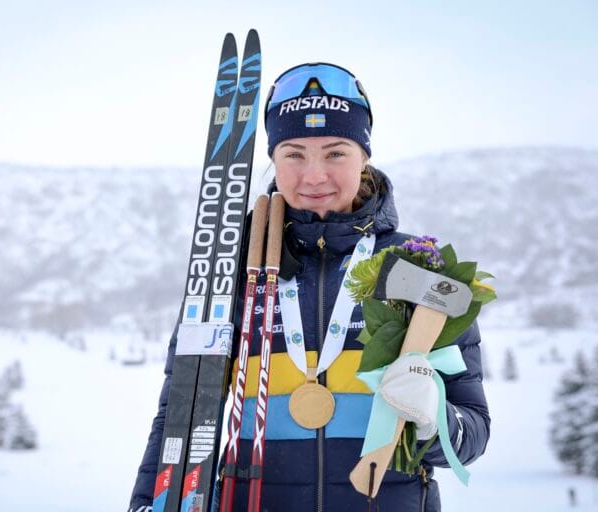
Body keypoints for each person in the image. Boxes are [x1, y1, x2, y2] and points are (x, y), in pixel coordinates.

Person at [129, 62, 490, 512]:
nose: (314, 175)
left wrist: (433, 418)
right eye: (294, 154)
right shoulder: (230, 276)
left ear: (364, 156)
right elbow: (179, 418)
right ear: (274, 160)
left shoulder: (421, 271)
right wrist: (150, 504)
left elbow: (472, 434)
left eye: (336, 153)